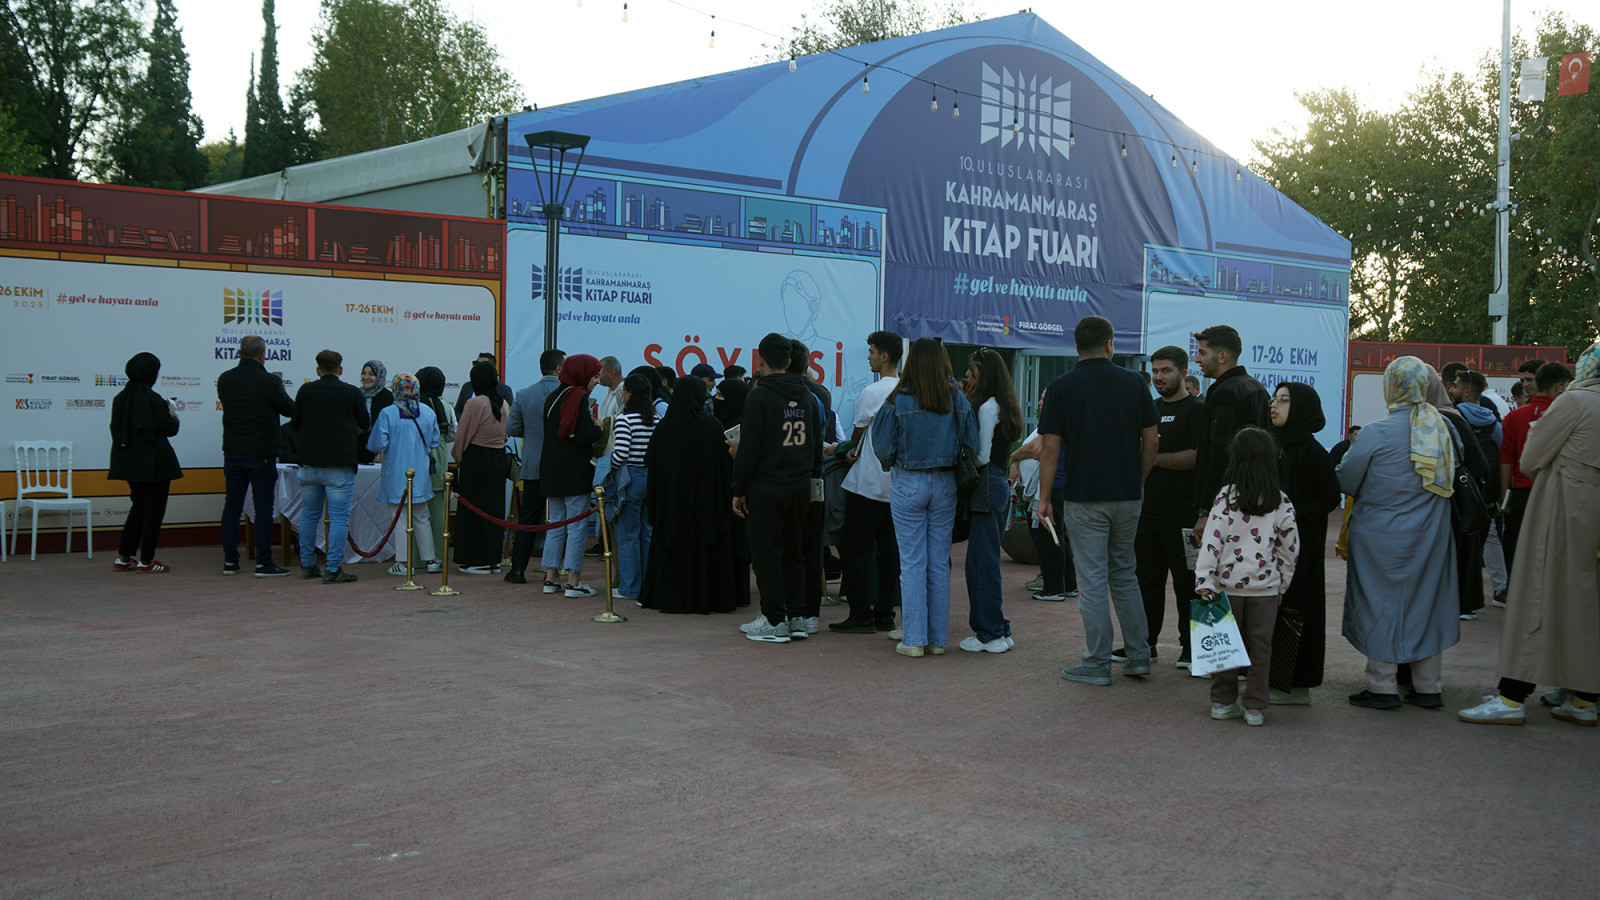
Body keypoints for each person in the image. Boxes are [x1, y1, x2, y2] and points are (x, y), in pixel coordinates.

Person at [1458, 342, 1600, 726]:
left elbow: (1531, 459)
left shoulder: (1575, 402)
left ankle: (1511, 697)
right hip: (1592, 516)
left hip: (1561, 507)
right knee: (1585, 605)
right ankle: (1584, 699)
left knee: (1534, 598)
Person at [1037, 317, 1159, 684]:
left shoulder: (1061, 387)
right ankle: (1139, 655)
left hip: (1084, 496)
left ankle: (1097, 663)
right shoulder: (1134, 382)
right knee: (1125, 574)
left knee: (1092, 581)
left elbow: (1049, 449)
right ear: (1109, 344)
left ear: (1076, 347)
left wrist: (1044, 499)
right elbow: (1152, 441)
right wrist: (1139, 481)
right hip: (1126, 494)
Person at [1338, 356, 1459, 710]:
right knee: (1427, 604)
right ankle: (1428, 686)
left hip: (1379, 537)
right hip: (1432, 534)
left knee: (1378, 603)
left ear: (1390, 386)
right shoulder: (1444, 429)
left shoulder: (1376, 432)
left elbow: (1347, 479)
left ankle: (1382, 686)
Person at [871, 336, 979, 658]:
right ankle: (936, 639)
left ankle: (914, 639)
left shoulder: (898, 398)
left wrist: (894, 462)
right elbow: (972, 444)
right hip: (945, 483)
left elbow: (882, 446)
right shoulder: (956, 396)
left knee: (912, 563)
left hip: (908, 481)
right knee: (939, 563)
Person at [1196, 426, 1299, 726]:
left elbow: (1212, 541)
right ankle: (1255, 707)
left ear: (1236, 459)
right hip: (1265, 588)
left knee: (1225, 646)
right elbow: (1290, 549)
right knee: (1261, 648)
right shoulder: (1280, 500)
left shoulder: (1225, 497)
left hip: (1225, 588)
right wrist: (1282, 584)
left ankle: (1222, 702)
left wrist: (1204, 580)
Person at [733, 333, 824, 643]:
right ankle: (797, 617)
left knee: (766, 554)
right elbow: (815, 446)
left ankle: (773, 619)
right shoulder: (807, 396)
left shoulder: (759, 396)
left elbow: (749, 448)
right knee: (794, 551)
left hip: (766, 486)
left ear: (760, 360)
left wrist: (738, 488)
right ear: (788, 361)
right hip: (799, 485)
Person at [1132, 345, 1205, 668]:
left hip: (1186, 516)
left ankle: (1194, 650)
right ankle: (1144, 645)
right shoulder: (1149, 409)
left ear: (1183, 373)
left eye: (1166, 371)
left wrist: (1155, 458)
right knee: (1146, 582)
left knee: (1190, 584)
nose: (1159, 377)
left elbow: (1198, 456)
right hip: (1148, 515)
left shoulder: (1198, 410)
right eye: (1156, 371)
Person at [1267, 382, 1340, 703]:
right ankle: (1268, 677)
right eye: (1274, 399)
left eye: (1284, 400)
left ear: (1301, 408)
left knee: (1297, 607)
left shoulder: (1314, 452)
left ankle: (1296, 684)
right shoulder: (1266, 444)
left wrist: (1295, 512)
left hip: (1301, 547)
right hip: (1264, 545)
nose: (1274, 405)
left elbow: (1330, 497)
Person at [641, 377, 739, 614]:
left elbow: (651, 464)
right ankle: (707, 598)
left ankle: (670, 597)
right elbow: (724, 467)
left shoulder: (664, 428)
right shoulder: (712, 426)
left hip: (671, 506)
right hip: (706, 506)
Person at [830, 330, 903, 635]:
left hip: (869, 483)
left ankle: (861, 614)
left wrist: (849, 452)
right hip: (898, 486)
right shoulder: (907, 390)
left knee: (853, 548)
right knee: (889, 552)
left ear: (884, 356)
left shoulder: (873, 392)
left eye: (871, 351)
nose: (869, 357)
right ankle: (885, 614)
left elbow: (857, 436)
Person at [959, 348, 1023, 653]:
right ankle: (998, 628)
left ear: (984, 374)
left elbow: (981, 456)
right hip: (998, 484)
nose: (967, 374)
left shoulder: (986, 407)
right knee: (985, 560)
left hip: (987, 484)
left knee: (981, 562)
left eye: (972, 369)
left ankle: (990, 632)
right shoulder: (1004, 404)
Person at [216, 334, 294, 577]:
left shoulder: (225, 379)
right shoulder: (270, 382)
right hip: (262, 453)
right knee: (263, 508)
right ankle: (263, 563)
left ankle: (230, 561)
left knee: (232, 506)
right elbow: (290, 410)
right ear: (263, 355)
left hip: (233, 452)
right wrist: (280, 390)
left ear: (239, 353)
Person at [291, 349, 370, 584]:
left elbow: (295, 423)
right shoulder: (351, 392)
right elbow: (365, 423)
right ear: (340, 369)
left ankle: (308, 565)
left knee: (308, 516)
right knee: (338, 519)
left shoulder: (305, 390)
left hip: (309, 462)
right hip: (339, 464)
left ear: (318, 370)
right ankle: (333, 568)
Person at [1191, 324, 1271, 539]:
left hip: (1228, 504)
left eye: (1202, 353)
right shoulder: (1256, 387)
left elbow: (1218, 454)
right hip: (1253, 496)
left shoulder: (1225, 393)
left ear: (1222, 357)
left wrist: (1207, 509)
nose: (1197, 359)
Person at [109, 352, 182, 574]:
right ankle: (147, 560)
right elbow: (169, 428)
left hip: (128, 463)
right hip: (155, 464)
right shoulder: (153, 399)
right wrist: (173, 414)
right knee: (153, 512)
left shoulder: (120, 398)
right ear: (150, 372)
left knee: (138, 507)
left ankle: (124, 557)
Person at [1499, 361, 1572, 579]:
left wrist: (1505, 497)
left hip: (1522, 494)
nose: (1525, 384)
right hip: (1555, 491)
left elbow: (1506, 459)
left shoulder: (1515, 416)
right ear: (1559, 386)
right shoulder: (1568, 415)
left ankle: (1516, 591)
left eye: (1529, 379)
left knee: (1518, 550)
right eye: (1522, 380)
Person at [1428, 371, 1491, 621]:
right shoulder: (1450, 415)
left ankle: (1462, 604)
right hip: (1457, 499)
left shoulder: (1442, 419)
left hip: (1453, 500)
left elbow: (1475, 461)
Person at [539, 353, 603, 597]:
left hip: (551, 470)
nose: (596, 381)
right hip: (574, 471)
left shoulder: (554, 396)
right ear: (581, 374)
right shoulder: (578, 397)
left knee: (555, 525)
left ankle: (550, 578)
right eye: (594, 376)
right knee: (576, 526)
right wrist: (598, 428)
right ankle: (574, 581)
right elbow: (584, 436)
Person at [365, 373, 441, 575]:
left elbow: (377, 444)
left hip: (396, 474)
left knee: (399, 518)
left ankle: (404, 562)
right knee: (422, 517)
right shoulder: (427, 412)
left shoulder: (388, 413)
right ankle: (431, 560)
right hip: (420, 474)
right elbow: (435, 441)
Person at [505, 349, 564, 583]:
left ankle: (518, 569)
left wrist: (531, 433)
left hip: (533, 464)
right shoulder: (568, 394)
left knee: (527, 518)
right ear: (559, 368)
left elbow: (512, 429)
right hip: (560, 465)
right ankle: (556, 570)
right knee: (562, 518)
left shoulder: (524, 394)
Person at [1455, 370, 1507, 606]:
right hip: (1486, 493)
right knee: (1490, 538)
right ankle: (1501, 588)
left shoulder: (1455, 418)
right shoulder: (1492, 421)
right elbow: (1503, 454)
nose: (1451, 390)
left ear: (1467, 391)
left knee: (1461, 545)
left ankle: (1463, 599)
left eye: (1456, 386)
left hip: (1461, 492)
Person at [451, 361, 509, 574]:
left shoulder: (475, 403)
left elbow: (463, 434)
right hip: (498, 457)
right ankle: (493, 560)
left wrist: (458, 457)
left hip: (477, 459)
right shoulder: (503, 403)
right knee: (494, 509)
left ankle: (477, 560)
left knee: (473, 511)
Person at [609, 373, 656, 603]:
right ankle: (647, 585)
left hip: (631, 478)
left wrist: (606, 466)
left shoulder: (625, 419)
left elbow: (620, 454)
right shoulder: (656, 419)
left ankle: (629, 588)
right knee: (646, 533)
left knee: (627, 535)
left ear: (629, 394)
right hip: (651, 477)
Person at [415, 367, 455, 567]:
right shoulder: (446, 406)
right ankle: (439, 557)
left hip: (417, 458)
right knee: (438, 511)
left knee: (416, 511)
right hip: (438, 459)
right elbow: (452, 434)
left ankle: (416, 559)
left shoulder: (415, 405)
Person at [454, 351, 514, 418]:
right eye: (475, 364)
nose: (476, 367)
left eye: (480, 365)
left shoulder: (504, 390)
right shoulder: (467, 386)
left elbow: (510, 415)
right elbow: (458, 410)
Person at [355, 359, 393, 465]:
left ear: (380, 376)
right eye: (363, 373)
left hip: (379, 455)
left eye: (371, 374)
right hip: (356, 452)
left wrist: (383, 450)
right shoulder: (356, 395)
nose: (366, 377)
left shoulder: (388, 398)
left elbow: (391, 428)